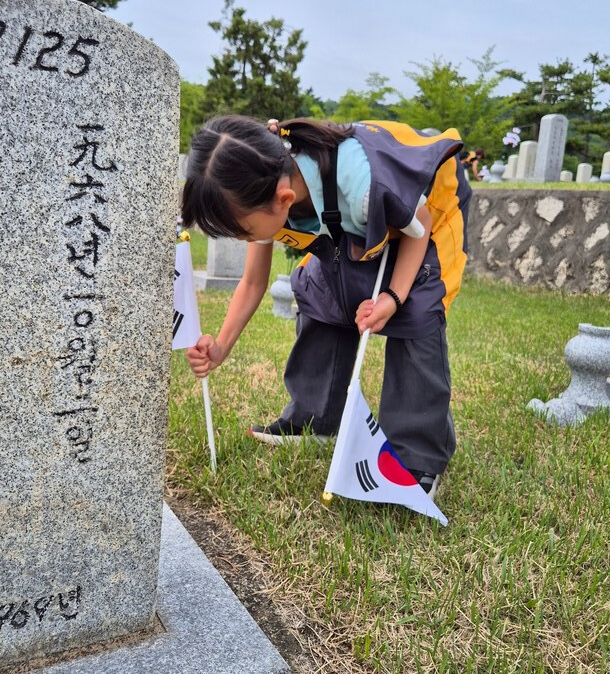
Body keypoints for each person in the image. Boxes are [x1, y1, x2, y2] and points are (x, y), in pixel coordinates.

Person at [181, 116, 471, 497]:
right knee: (319, 290)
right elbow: (253, 282)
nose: (242, 239)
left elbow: (419, 223)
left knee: (416, 313)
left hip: (425, 215)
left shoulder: (360, 181)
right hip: (353, 228)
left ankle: (415, 456)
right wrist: (221, 346)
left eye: (243, 232)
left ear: (283, 199)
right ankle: (317, 419)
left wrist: (393, 297)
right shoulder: (263, 186)